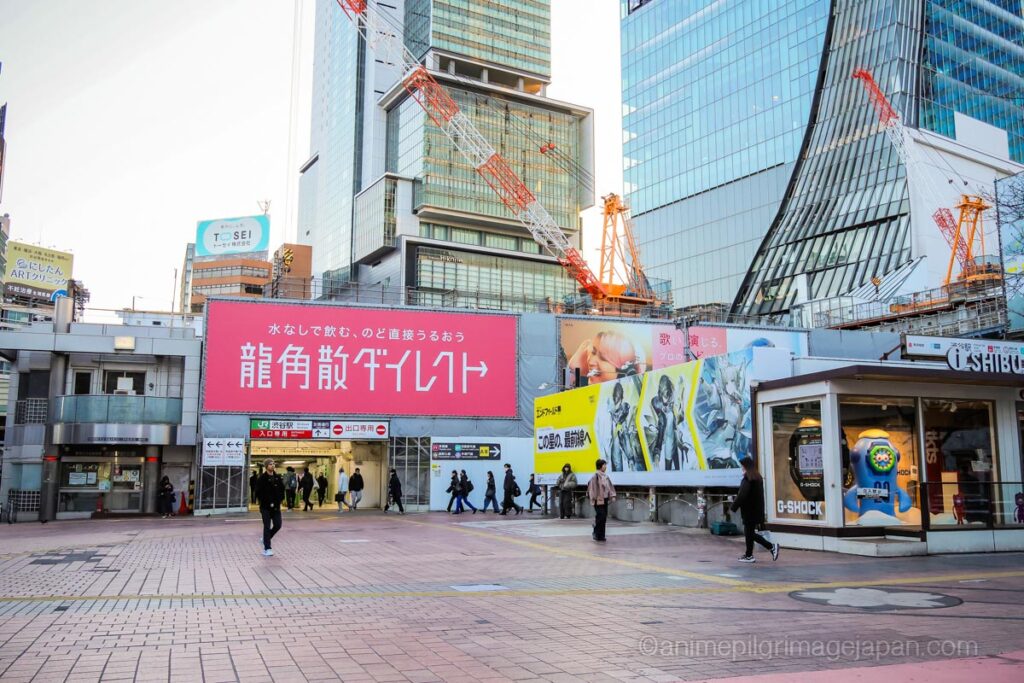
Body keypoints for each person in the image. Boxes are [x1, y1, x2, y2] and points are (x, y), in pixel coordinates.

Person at [731, 456, 779, 563]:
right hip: (756, 510)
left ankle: (771, 547)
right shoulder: (757, 477)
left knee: (749, 533)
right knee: (749, 533)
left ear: (746, 466)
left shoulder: (748, 479)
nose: (741, 468)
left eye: (742, 466)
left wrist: (734, 506)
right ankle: (749, 555)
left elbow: (742, 495)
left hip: (749, 511)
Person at [567, 330, 644, 384]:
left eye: (603, 358)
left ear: (624, 372)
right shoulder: (583, 384)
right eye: (593, 352)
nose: (591, 361)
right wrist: (571, 369)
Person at [255, 459, 285, 556]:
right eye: (270, 464)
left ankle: (265, 539)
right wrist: (265, 501)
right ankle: (267, 548)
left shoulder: (278, 477)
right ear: (266, 466)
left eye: (273, 464)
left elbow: (282, 489)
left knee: (278, 525)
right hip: (265, 507)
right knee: (267, 526)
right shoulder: (262, 478)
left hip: (276, 507)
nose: (272, 466)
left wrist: (280, 500)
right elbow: (258, 492)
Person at [587, 458, 617, 542]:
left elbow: (610, 487)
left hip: (605, 499)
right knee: (601, 516)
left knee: (603, 518)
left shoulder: (606, 476)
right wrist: (594, 498)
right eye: (604, 465)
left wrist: (612, 495)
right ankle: (596, 532)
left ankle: (601, 536)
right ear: (600, 466)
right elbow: (592, 489)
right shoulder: (595, 476)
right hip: (598, 499)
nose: (605, 467)